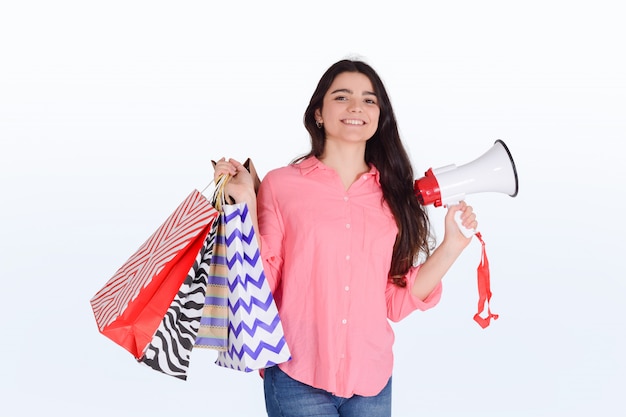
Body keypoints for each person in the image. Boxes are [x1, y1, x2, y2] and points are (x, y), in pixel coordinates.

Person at [213, 59, 477, 417]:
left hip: (372, 381)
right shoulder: (281, 185)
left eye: (369, 100)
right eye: (342, 97)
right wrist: (245, 203)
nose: (356, 107)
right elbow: (263, 279)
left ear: (379, 116)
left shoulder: (393, 194)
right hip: (297, 375)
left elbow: (394, 301)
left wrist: (453, 245)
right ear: (319, 113)